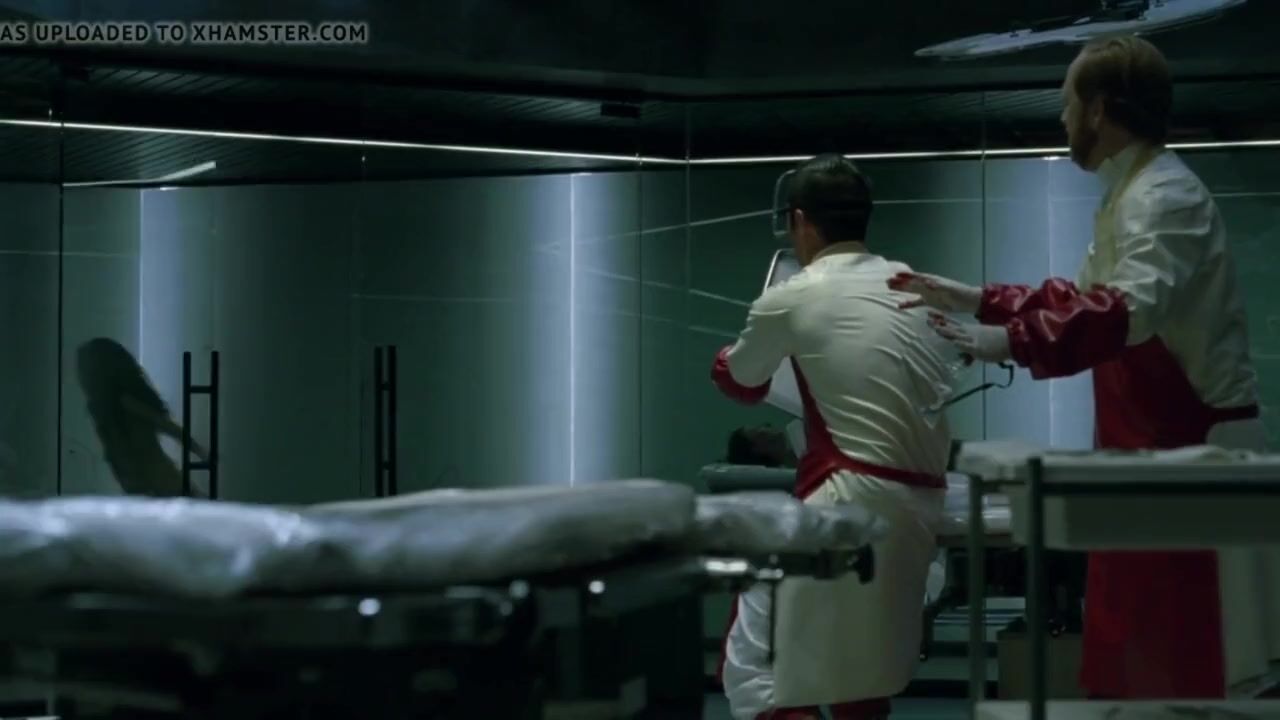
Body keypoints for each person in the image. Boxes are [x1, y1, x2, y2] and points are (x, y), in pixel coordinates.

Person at [890, 35, 1280, 699]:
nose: (1062, 115)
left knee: (1185, 672)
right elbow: (1079, 301)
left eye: (1068, 101)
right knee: (1147, 669)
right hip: (1154, 459)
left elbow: (1125, 311)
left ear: (1099, 109)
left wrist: (1005, 341)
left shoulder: (1163, 197)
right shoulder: (1134, 192)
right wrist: (974, 298)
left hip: (1191, 460)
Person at [710, 153, 955, 720]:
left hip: (848, 502)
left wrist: (727, 355)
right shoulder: (912, 288)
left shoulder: (794, 294)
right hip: (923, 510)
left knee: (755, 668)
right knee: (863, 676)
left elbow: (739, 379)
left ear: (799, 220)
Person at [77, 337, 210, 498]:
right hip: (146, 488)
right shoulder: (102, 409)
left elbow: (169, 428)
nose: (82, 374)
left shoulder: (124, 403)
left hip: (161, 485)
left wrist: (201, 451)